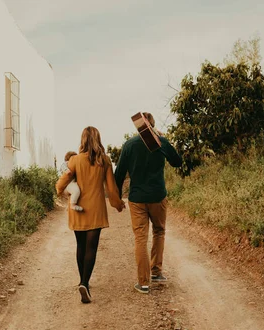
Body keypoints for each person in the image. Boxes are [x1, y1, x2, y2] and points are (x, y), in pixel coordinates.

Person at [114, 112, 182, 294]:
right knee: (159, 232)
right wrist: (164, 140)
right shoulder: (160, 142)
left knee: (140, 238)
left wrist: (117, 198)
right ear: (152, 124)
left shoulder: (129, 145)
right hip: (158, 196)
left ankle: (143, 283)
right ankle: (156, 272)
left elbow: (118, 175)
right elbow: (177, 162)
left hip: (137, 199)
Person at [56, 126, 125, 303]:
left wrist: (61, 191)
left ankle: (82, 282)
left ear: (83, 140)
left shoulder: (74, 161)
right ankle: (84, 283)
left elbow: (61, 183)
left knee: (80, 245)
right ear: (98, 139)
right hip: (96, 209)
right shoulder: (105, 161)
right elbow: (111, 188)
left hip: (77, 208)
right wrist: (118, 204)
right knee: (91, 248)